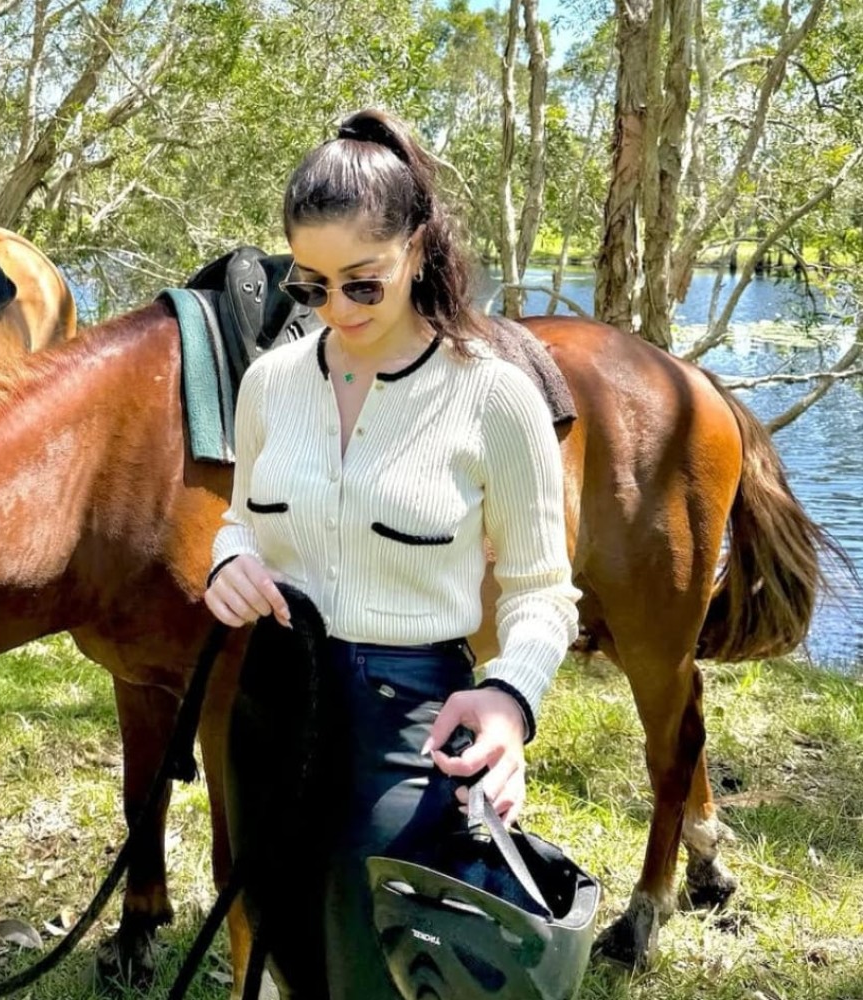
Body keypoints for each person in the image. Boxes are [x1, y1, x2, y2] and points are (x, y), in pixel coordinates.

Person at [204, 108, 580, 1000]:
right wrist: (228, 563)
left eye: (362, 285)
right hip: (272, 703)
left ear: (417, 247)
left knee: (383, 970)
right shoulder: (269, 383)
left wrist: (508, 698)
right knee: (288, 945)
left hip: (409, 724)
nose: (335, 311)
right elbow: (239, 520)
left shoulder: (493, 397)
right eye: (310, 286)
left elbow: (541, 591)